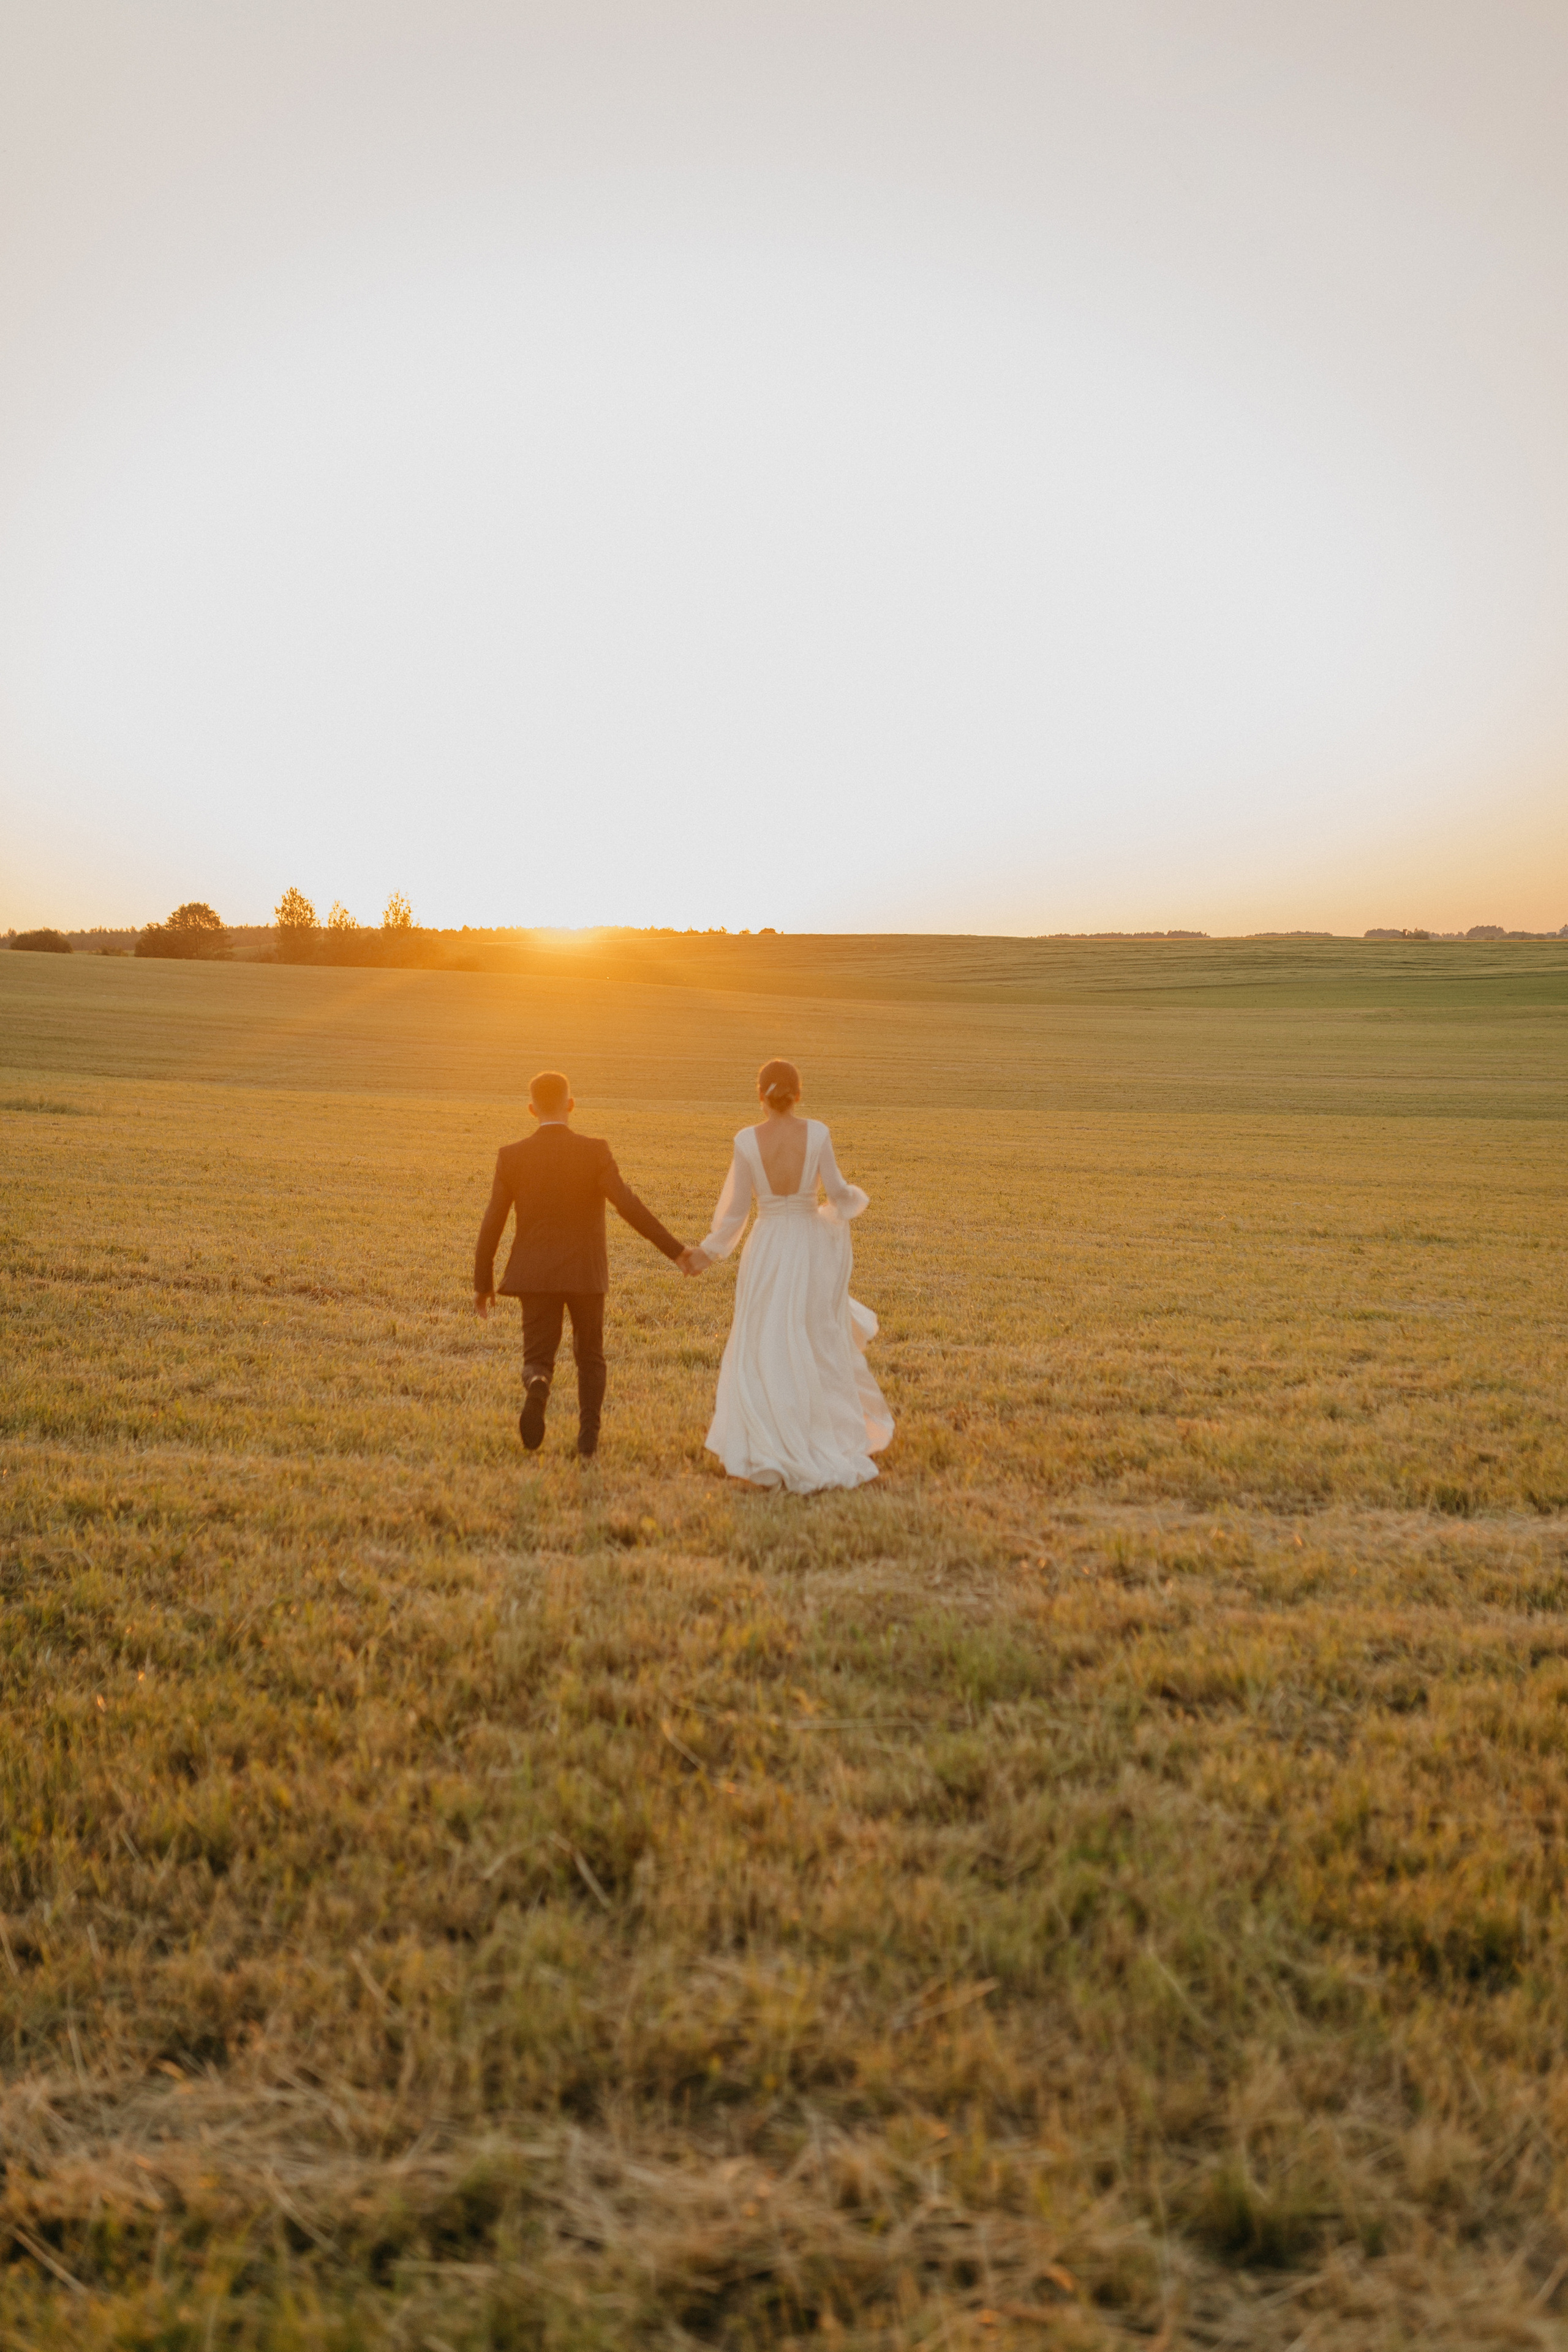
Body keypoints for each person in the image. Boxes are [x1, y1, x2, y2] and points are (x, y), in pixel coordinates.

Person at [681, 1058, 894, 1493]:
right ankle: (820, 1432)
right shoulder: (817, 1133)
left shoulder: (745, 1140)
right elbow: (837, 1193)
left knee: (767, 1336)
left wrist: (707, 1252)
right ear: (799, 1095)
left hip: (768, 1244)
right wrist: (851, 1201)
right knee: (814, 1334)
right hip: (808, 1242)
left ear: (760, 1096)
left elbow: (737, 1213)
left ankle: (771, 1437)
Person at [474, 1070, 689, 1459]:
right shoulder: (595, 1151)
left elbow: (493, 1221)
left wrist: (483, 1280)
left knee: (537, 1357)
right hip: (586, 1273)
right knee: (590, 1355)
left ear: (531, 1109)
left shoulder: (512, 1156)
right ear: (571, 1105)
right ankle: (588, 1438)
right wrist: (675, 1251)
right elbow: (628, 1206)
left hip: (535, 1273)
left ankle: (538, 1382)